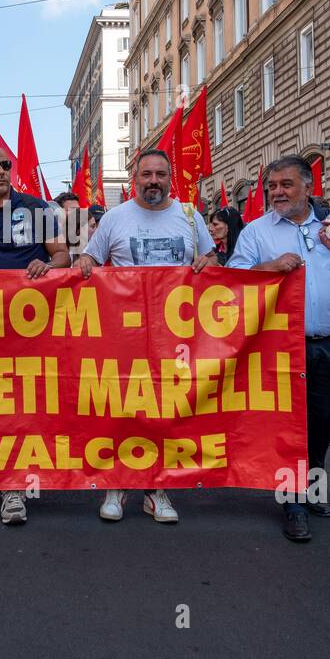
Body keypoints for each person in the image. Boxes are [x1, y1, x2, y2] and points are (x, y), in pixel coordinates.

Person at [227, 156, 330, 541]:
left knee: (324, 419)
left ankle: (309, 483)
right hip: (279, 347)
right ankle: (292, 503)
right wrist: (270, 266)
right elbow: (232, 280)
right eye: (272, 185)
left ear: (308, 187)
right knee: (289, 425)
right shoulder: (256, 232)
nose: (277, 192)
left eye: (286, 184)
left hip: (329, 343)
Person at [77, 149, 216, 524]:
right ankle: (117, 485)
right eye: (146, 175)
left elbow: (212, 263)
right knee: (123, 407)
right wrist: (85, 263)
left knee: (168, 412)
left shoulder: (190, 216)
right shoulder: (115, 219)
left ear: (170, 178)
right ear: (133, 180)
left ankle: (157, 490)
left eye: (160, 175)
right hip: (125, 335)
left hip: (178, 336)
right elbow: (91, 259)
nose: (153, 181)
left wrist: (207, 264)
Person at [0, 145, 71, 525]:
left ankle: (20, 482)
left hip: (35, 327)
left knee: (30, 404)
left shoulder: (39, 209)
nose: (1, 171)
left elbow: (63, 256)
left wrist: (47, 262)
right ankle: (6, 481)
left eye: (5, 164)